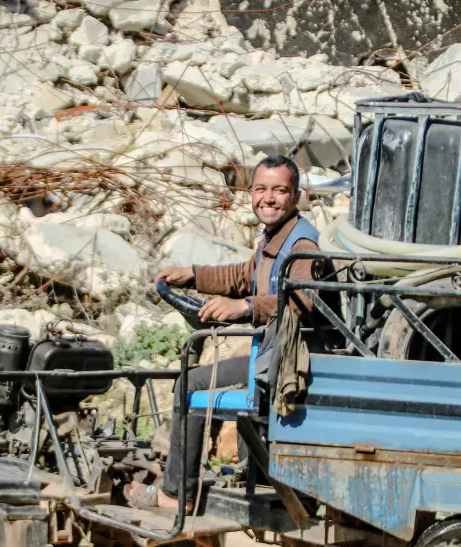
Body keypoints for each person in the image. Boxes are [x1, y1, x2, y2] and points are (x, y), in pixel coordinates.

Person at [125, 154, 321, 511]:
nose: (269, 198)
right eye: (261, 189)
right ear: (250, 193)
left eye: (279, 190)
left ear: (295, 196)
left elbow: (303, 300)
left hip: (287, 363)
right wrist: (192, 275)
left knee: (192, 382)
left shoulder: (301, 246)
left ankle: (176, 495)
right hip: (272, 355)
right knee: (199, 378)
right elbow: (239, 277)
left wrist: (246, 308)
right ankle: (228, 472)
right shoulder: (275, 240)